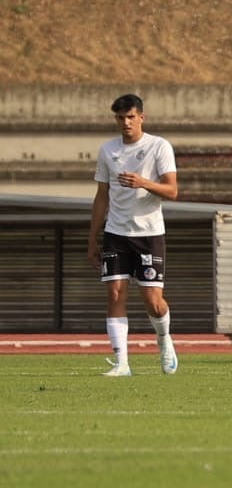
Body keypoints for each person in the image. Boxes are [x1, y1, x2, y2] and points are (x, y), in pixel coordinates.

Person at [89, 93, 180, 377]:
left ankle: (164, 341)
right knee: (115, 293)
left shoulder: (159, 146)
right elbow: (101, 196)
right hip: (116, 232)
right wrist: (93, 237)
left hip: (149, 233)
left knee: (153, 301)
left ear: (142, 117)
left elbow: (173, 191)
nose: (126, 123)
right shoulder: (107, 150)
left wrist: (143, 182)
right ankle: (122, 364)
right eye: (120, 118)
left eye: (131, 117)